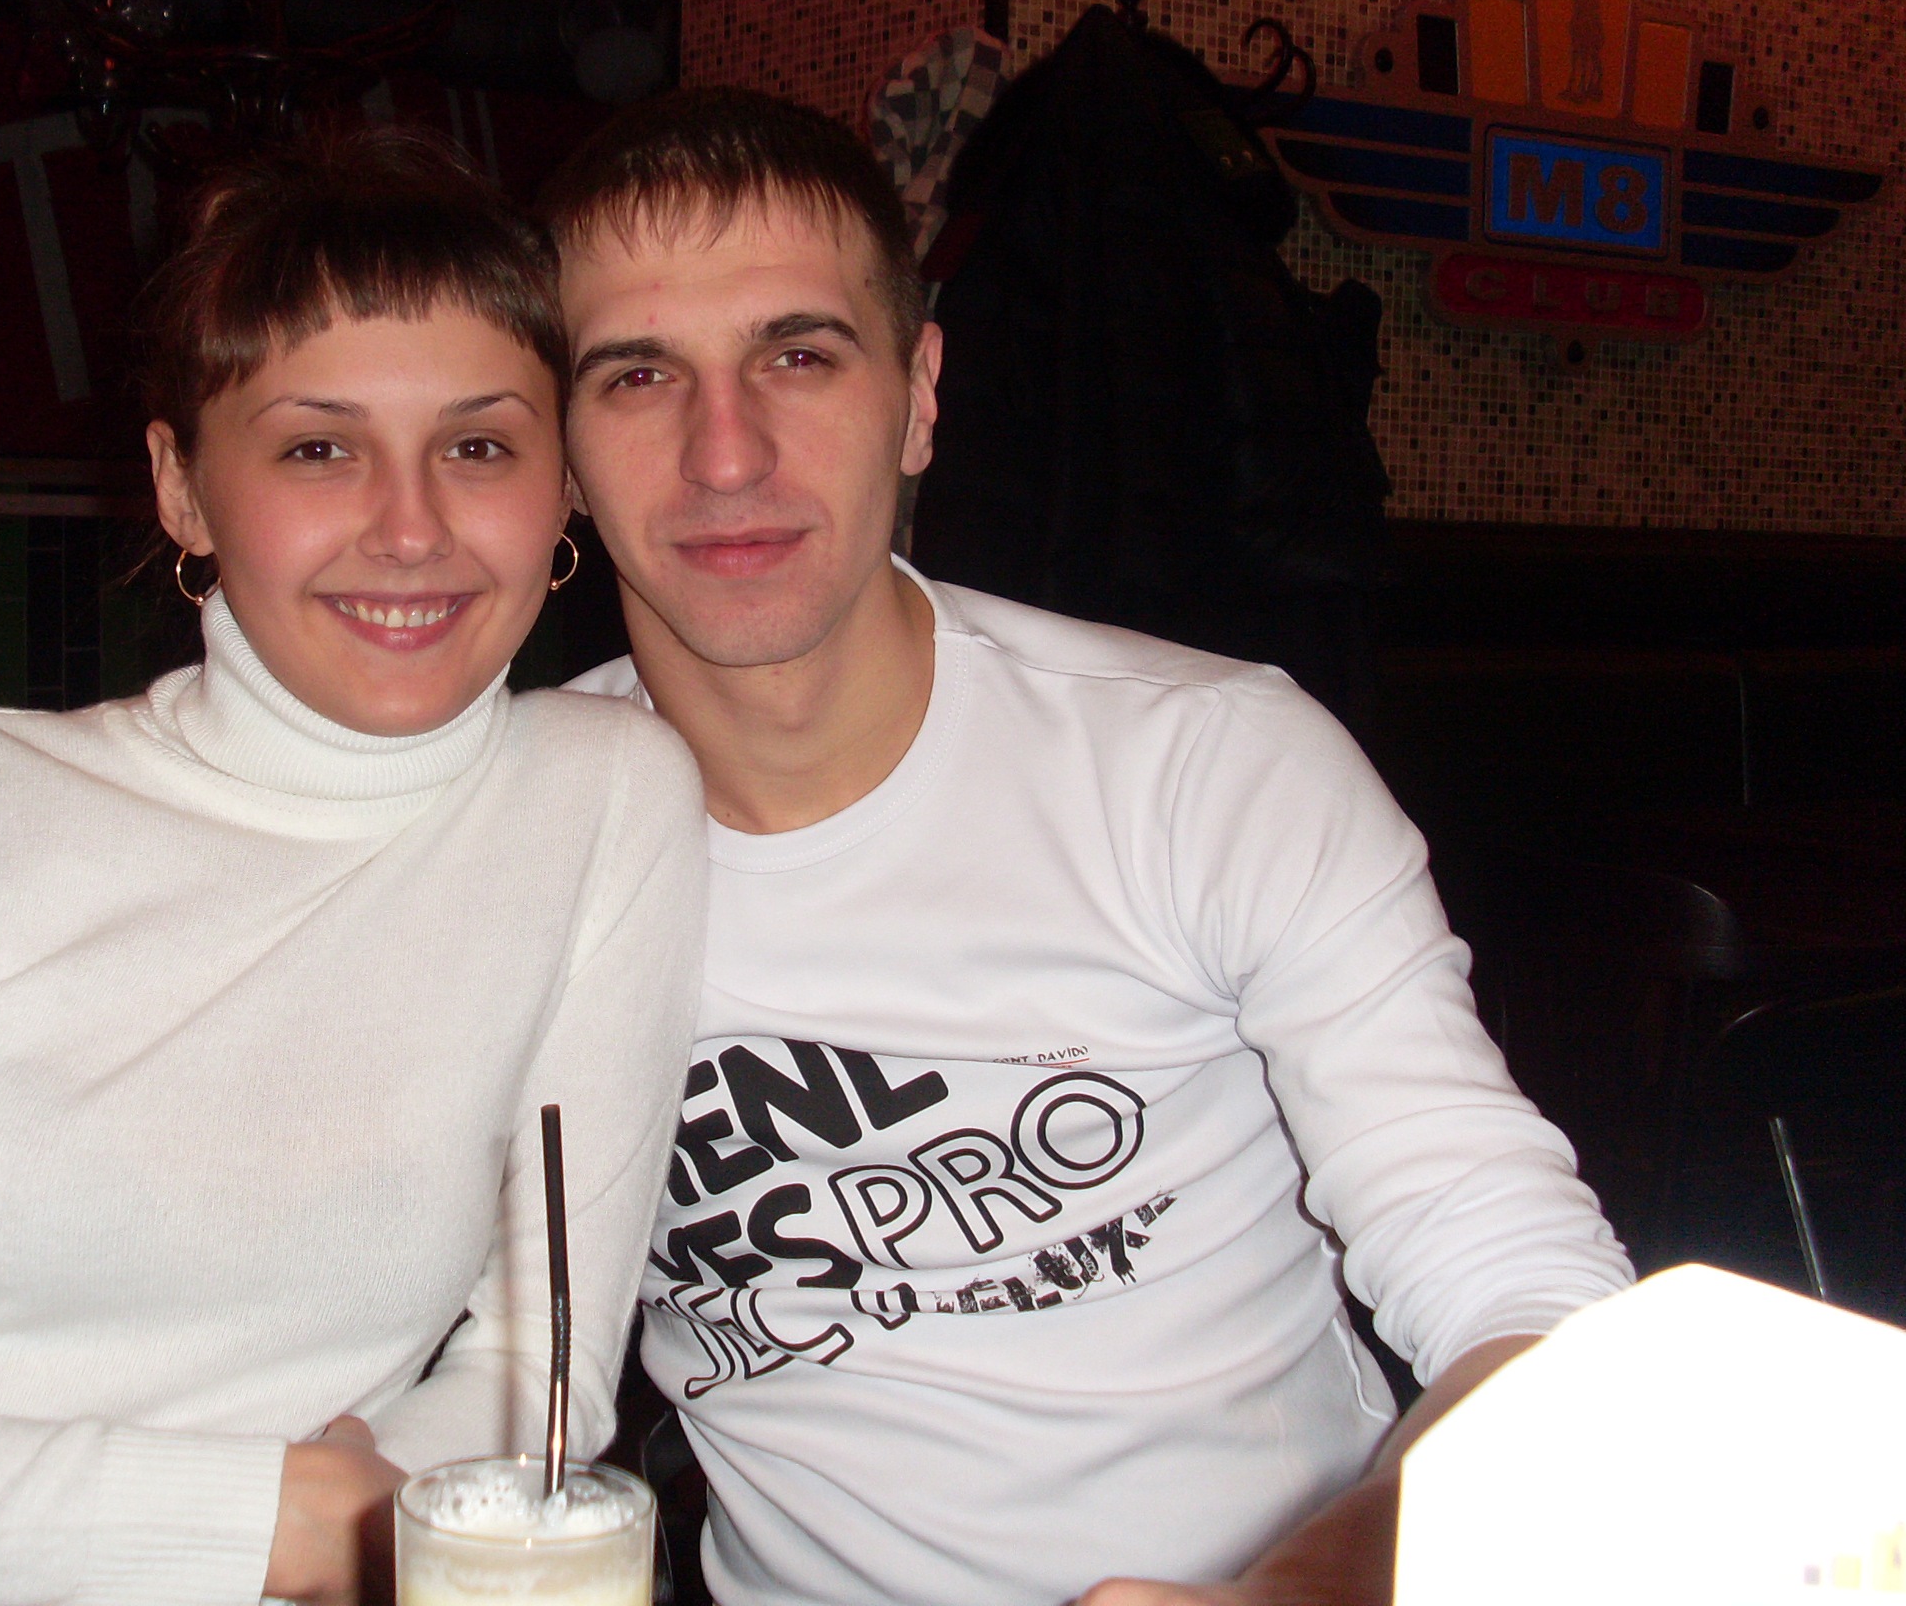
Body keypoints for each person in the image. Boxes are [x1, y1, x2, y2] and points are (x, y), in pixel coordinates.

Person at [0, 131, 708, 1606]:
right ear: (182, 487)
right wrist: (279, 1524)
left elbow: (538, 1378)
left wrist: (340, 1536)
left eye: (478, 447)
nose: (412, 528)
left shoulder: (605, 799)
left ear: (562, 491)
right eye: (318, 447)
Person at [537, 89, 1634, 1606]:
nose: (726, 454)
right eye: (639, 374)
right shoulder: (500, 840)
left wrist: (1297, 1596)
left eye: (799, 356)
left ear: (920, 394)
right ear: (560, 448)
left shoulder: (1207, 767)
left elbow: (1521, 1283)